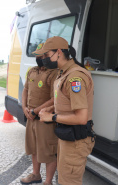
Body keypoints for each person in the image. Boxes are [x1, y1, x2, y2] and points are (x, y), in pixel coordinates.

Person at [38, 36, 95, 185]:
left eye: (47, 55)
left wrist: (52, 117)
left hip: (76, 139)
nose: (44, 59)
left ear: (58, 52)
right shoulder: (63, 73)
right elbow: (65, 101)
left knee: (68, 181)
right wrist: (50, 108)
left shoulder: (74, 77)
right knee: (63, 178)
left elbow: (81, 117)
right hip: (67, 135)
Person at [20, 43, 58, 185]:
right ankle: (36, 175)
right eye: (37, 54)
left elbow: (55, 98)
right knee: (34, 148)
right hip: (31, 116)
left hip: (45, 119)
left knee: (48, 151)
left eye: (42, 54)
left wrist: (36, 111)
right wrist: (24, 108)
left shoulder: (54, 73)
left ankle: (48, 182)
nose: (39, 57)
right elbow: (25, 90)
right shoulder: (32, 71)